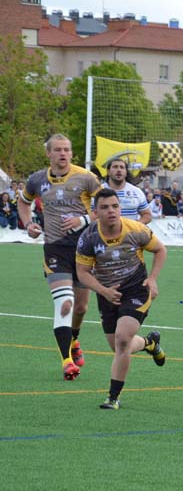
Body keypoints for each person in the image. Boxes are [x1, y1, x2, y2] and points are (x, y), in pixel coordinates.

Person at [74, 188, 168, 409]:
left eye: (115, 206)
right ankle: (149, 343)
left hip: (136, 289)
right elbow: (82, 273)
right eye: (105, 207)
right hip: (107, 294)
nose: (111, 211)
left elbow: (160, 250)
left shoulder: (136, 230)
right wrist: (104, 291)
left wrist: (153, 279)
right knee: (117, 346)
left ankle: (113, 397)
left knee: (123, 338)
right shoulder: (88, 237)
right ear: (95, 212)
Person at [16, 134, 100, 380]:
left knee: (82, 307)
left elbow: (107, 205)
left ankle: (74, 339)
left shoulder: (86, 177)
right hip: (55, 250)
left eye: (67, 150)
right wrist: (29, 223)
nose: (63, 154)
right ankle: (67, 361)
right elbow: (23, 203)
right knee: (65, 303)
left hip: (85, 249)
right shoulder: (37, 180)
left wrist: (82, 220)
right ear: (49, 154)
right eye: (58, 150)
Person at [104, 158, 152, 225]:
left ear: (126, 172)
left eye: (122, 167)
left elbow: (147, 215)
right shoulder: (99, 191)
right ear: (108, 172)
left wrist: (134, 226)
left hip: (130, 234)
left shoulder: (136, 192)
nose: (119, 170)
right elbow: (93, 215)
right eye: (115, 167)